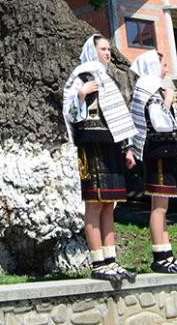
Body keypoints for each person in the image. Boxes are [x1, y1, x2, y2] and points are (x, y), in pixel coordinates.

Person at [63, 34, 137, 282]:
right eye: (103, 49)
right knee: (94, 202)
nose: (107, 53)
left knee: (109, 204)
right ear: (92, 51)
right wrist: (81, 94)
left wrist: (127, 147)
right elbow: (70, 114)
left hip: (111, 145)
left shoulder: (108, 79)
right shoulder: (81, 76)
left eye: (108, 49)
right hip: (91, 145)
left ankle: (111, 260)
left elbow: (118, 116)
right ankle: (97, 262)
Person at [130, 51, 177, 274]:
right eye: (163, 64)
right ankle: (160, 257)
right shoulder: (147, 87)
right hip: (156, 150)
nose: (166, 69)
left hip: (162, 151)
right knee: (159, 206)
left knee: (163, 205)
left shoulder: (151, 87)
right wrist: (168, 100)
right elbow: (159, 122)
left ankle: (167, 255)